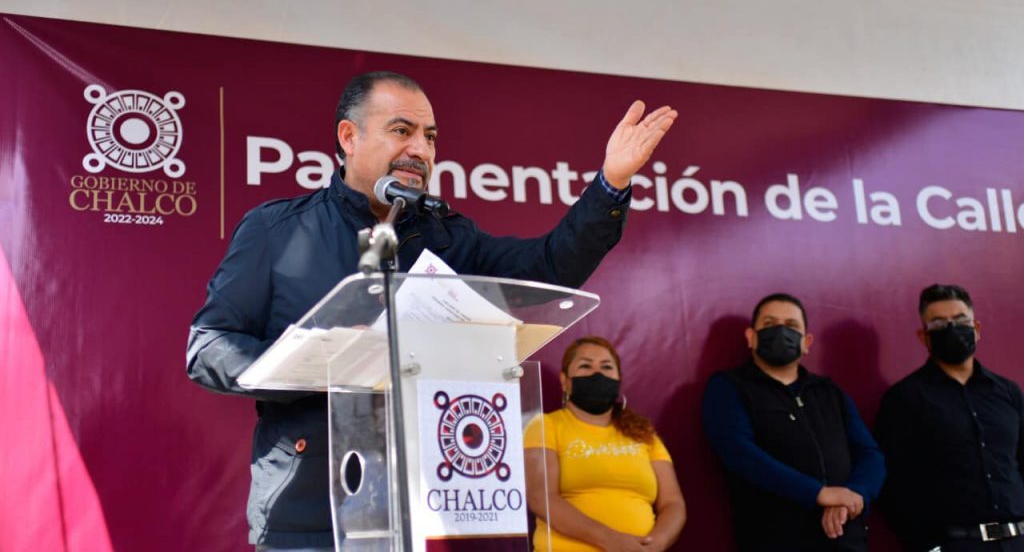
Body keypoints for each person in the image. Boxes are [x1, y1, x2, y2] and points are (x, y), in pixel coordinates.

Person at [185, 70, 677, 550]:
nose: (421, 150)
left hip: (433, 508)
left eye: (430, 137)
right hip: (312, 513)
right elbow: (209, 347)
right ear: (349, 137)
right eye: (402, 131)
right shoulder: (277, 230)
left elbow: (549, 267)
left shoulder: (450, 237)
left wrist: (611, 184)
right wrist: (316, 362)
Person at [701, 293, 886, 552]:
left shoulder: (829, 392)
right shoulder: (728, 387)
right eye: (769, 324)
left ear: (806, 342)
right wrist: (818, 493)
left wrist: (854, 496)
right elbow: (739, 453)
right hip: (775, 539)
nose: (780, 331)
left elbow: (870, 454)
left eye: (791, 325)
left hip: (846, 538)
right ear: (751, 337)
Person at [875, 284, 1024, 552]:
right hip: (956, 544)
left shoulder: (1008, 392)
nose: (952, 329)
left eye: (960, 321)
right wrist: (927, 546)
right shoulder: (904, 398)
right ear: (924, 336)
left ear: (976, 329)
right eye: (939, 324)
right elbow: (892, 481)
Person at [523, 336, 686, 552]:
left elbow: (673, 503)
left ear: (619, 379)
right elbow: (541, 497)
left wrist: (657, 542)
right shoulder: (545, 426)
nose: (597, 374)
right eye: (585, 366)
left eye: (607, 367)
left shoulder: (644, 434)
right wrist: (611, 540)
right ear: (565, 381)